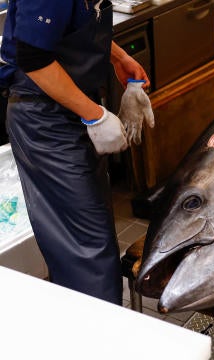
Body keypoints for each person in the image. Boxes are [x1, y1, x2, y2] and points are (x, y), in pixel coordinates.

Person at [0, 0, 151, 305]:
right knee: (88, 252)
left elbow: (79, 22)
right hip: (43, 119)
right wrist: (94, 115)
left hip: (70, 108)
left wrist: (119, 57)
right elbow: (34, 58)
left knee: (91, 238)